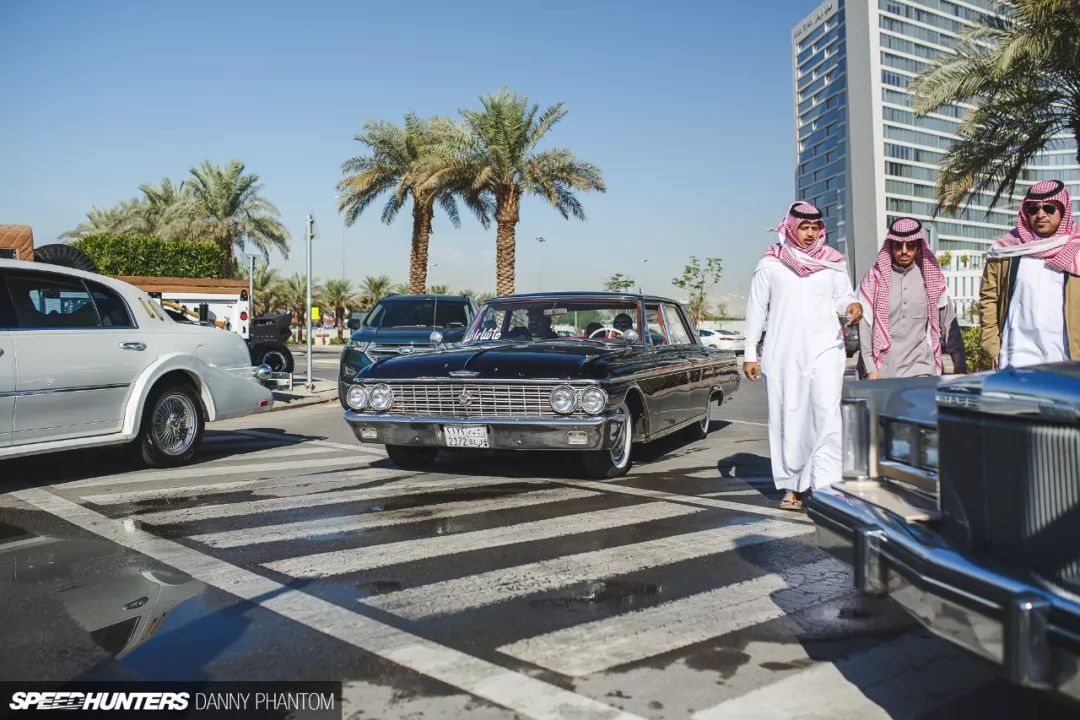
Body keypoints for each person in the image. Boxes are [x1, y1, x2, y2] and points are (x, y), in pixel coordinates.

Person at [743, 202, 863, 511]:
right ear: (791, 227)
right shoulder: (771, 263)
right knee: (790, 419)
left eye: (815, 228)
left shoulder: (834, 262)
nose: (810, 234)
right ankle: (794, 486)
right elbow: (757, 309)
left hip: (826, 350)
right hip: (783, 353)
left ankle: (827, 486)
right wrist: (749, 353)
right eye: (804, 228)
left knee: (826, 415)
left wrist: (851, 306)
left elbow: (842, 298)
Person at [980, 179, 1080, 368]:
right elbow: (989, 298)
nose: (1041, 215)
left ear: (1063, 210)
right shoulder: (1005, 250)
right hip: (1016, 354)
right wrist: (992, 346)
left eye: (1049, 208)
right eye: (1033, 209)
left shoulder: (1077, 249)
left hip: (1066, 356)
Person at [857, 217, 967, 378]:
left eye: (910, 245)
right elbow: (864, 325)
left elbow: (948, 322)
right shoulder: (875, 278)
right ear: (891, 245)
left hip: (922, 368)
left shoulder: (932, 279)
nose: (904, 251)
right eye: (898, 245)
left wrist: (959, 362)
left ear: (918, 246)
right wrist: (870, 368)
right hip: (884, 370)